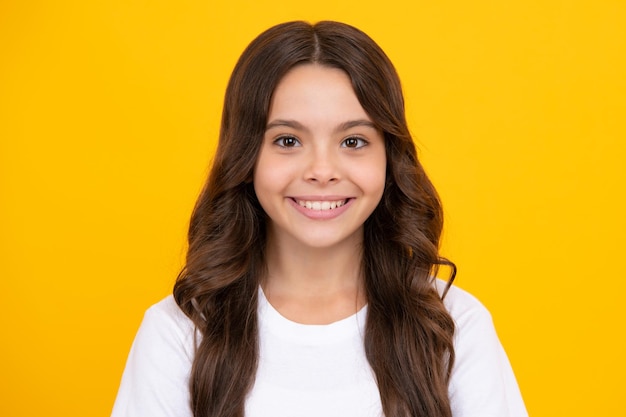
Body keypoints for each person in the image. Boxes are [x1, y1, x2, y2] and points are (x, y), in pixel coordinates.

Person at [111, 20, 528, 417]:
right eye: (288, 140)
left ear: (389, 158)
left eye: (353, 141)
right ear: (246, 156)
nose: (322, 170)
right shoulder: (179, 334)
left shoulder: (452, 325)